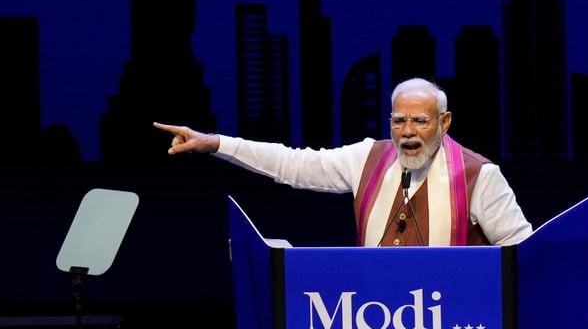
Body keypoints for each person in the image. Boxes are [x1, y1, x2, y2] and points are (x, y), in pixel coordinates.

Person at [154, 78, 532, 247]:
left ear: (444, 122)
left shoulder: (479, 175)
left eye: (420, 120)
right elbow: (292, 165)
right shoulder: (368, 157)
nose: (408, 131)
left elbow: (522, 251)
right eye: (399, 120)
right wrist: (217, 143)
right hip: (374, 321)